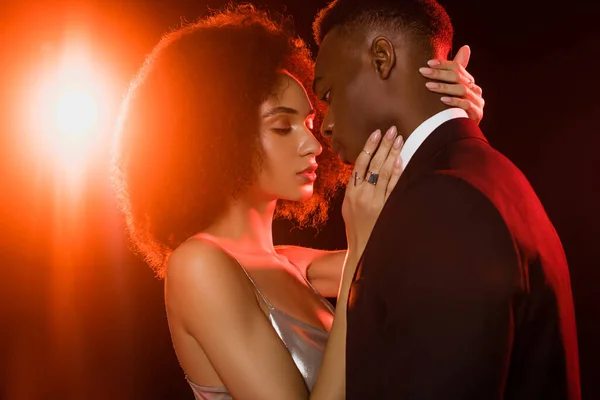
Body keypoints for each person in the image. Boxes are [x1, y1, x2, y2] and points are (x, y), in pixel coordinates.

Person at [111, 5, 485, 399]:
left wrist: (453, 123)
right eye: (282, 126)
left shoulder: (296, 265)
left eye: (309, 123)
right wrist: (359, 248)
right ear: (216, 137)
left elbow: (437, 254)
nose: (312, 143)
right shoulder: (197, 266)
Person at [312, 0, 581, 399]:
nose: (327, 126)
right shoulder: (488, 177)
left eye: (329, 95)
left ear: (382, 58)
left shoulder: (443, 205)